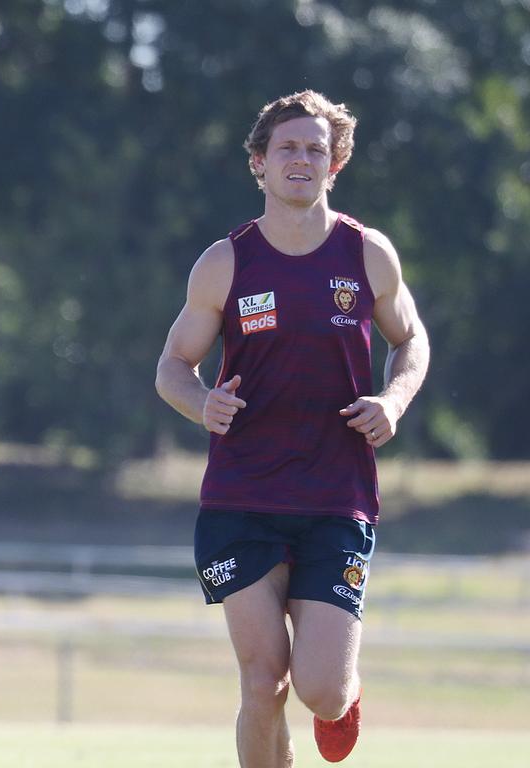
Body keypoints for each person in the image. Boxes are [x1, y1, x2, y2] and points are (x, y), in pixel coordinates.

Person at [155, 90, 429, 767]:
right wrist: (201, 405)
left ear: (334, 164)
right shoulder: (226, 261)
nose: (301, 159)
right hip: (241, 497)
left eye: (315, 149)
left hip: (336, 499)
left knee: (321, 691)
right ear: (260, 163)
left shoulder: (368, 255)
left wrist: (393, 399)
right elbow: (172, 368)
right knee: (262, 682)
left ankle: (345, 695)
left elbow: (412, 339)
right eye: (287, 148)